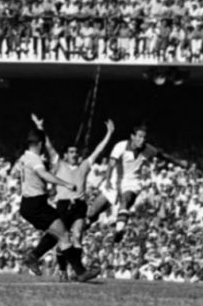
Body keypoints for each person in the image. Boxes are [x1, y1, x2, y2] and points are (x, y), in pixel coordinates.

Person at [11, 125, 100, 283]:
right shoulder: (35, 159)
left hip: (30, 203)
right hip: (36, 204)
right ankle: (80, 272)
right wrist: (65, 184)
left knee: (57, 233)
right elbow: (44, 174)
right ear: (39, 144)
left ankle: (34, 256)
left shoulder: (24, 157)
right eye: (43, 144)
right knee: (64, 235)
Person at [33, 114, 115, 282]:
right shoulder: (59, 164)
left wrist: (109, 134)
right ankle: (63, 269)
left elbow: (98, 150)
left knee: (77, 235)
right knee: (63, 238)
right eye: (71, 152)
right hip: (63, 205)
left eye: (76, 152)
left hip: (79, 205)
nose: (75, 154)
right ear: (65, 154)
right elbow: (48, 146)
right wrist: (40, 128)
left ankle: (78, 272)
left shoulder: (84, 165)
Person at [85, 123, 188, 243]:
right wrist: (107, 180)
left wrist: (179, 162)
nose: (142, 140)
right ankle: (83, 227)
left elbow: (162, 155)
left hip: (132, 182)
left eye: (144, 137)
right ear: (132, 136)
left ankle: (119, 231)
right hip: (114, 181)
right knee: (91, 213)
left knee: (125, 200)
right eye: (139, 136)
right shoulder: (121, 146)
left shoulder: (147, 149)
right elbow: (111, 164)